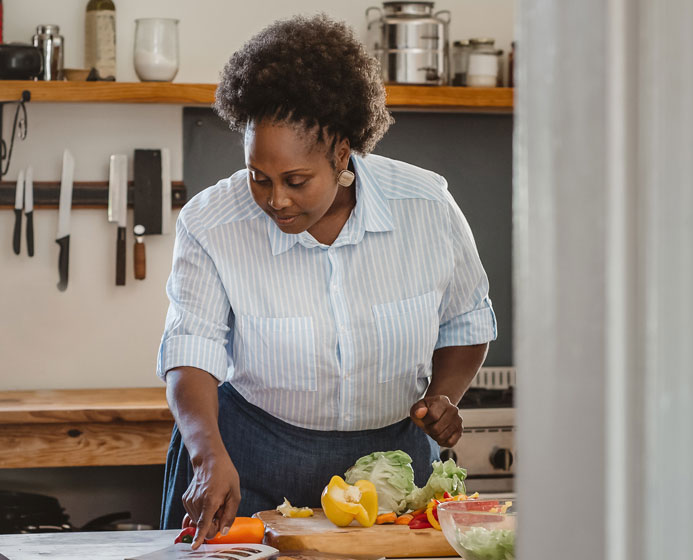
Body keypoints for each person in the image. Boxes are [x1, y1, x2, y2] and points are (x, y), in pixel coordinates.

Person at [156, 14, 497, 544]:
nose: (275, 199)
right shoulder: (211, 223)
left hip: (393, 473)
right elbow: (189, 349)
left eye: (295, 180)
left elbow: (466, 318)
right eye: (258, 177)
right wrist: (207, 454)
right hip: (250, 466)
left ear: (342, 152)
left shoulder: (426, 206)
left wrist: (445, 397)